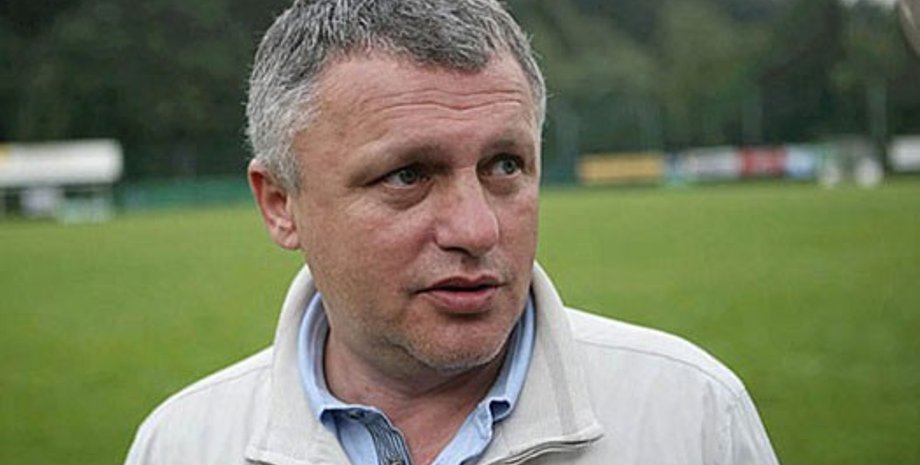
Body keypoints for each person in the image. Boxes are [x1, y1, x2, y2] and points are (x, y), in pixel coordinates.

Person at [125, 1, 780, 464]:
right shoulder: (183, 445)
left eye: (505, 165)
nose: (477, 227)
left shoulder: (693, 418)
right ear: (280, 204)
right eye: (407, 175)